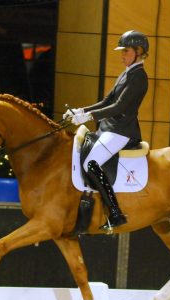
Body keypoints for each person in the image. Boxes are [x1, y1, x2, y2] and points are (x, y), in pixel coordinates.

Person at [63, 30, 149, 230]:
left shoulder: (139, 77)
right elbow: (107, 101)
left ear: (139, 51)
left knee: (91, 163)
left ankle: (115, 213)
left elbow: (119, 107)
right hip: (108, 127)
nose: (122, 55)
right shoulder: (127, 73)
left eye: (126, 51)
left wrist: (88, 117)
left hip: (121, 130)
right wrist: (81, 110)